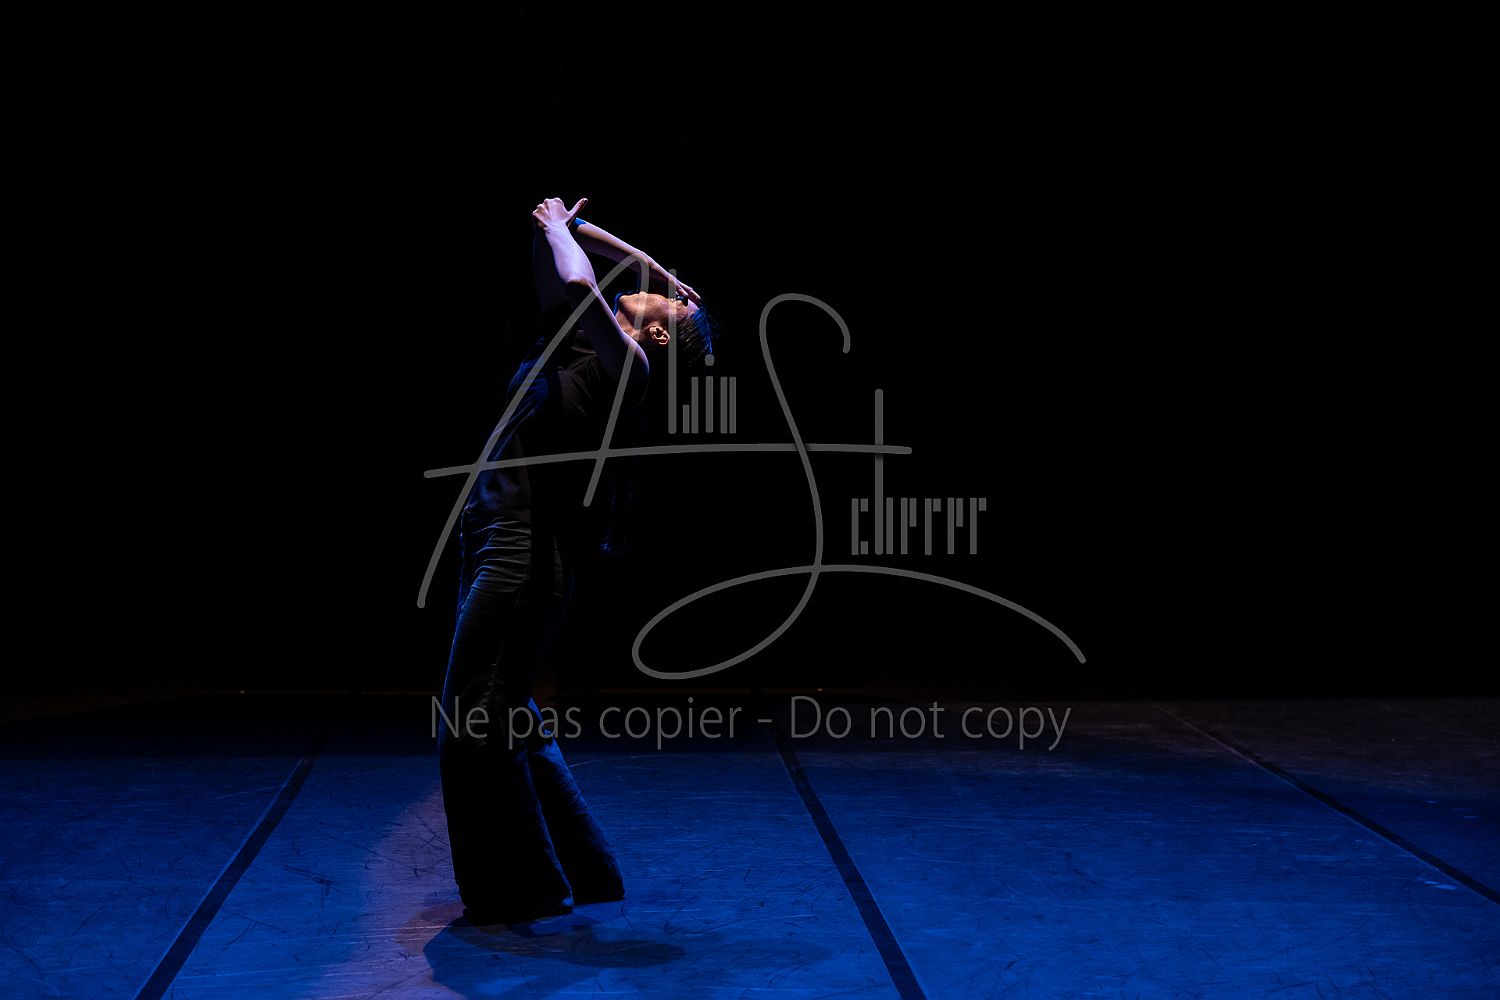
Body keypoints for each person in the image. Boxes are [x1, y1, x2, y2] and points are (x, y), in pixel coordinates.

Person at [437, 196, 716, 924]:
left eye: (667, 301)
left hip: (522, 551)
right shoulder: (573, 347)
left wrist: (569, 233)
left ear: (658, 332)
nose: (650, 287)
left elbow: (575, 279)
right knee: (509, 711)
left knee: (473, 717)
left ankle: (523, 887)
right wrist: (634, 260)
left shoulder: (631, 370)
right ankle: (584, 871)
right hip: (493, 535)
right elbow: (552, 250)